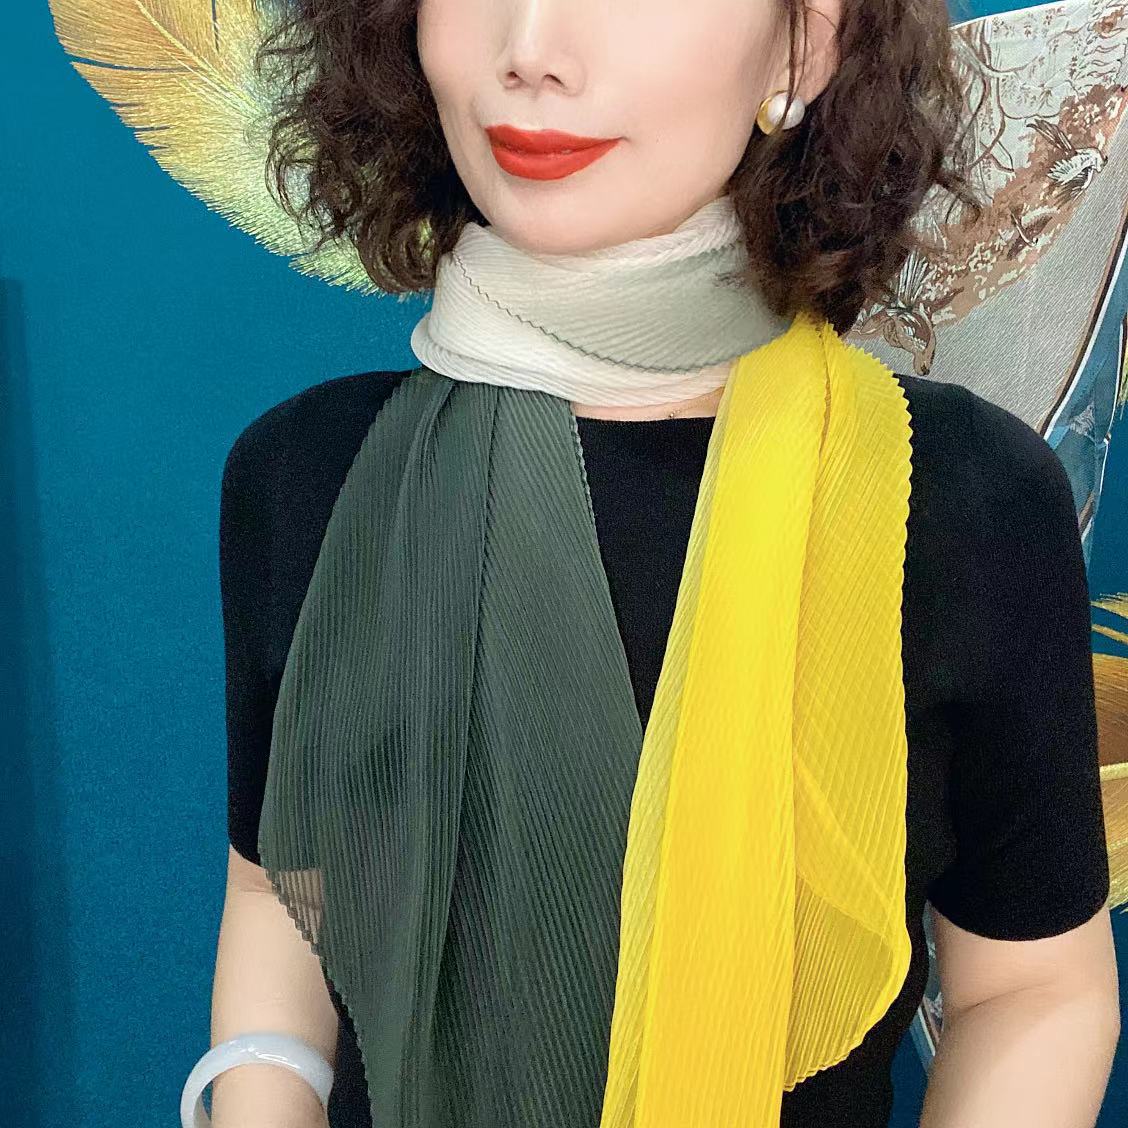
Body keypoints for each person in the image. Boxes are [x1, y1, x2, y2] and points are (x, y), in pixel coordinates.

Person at [206, 0, 1119, 1126]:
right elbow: (275, 888)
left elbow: (1033, 987)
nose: (530, 51)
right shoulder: (306, 476)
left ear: (806, 43)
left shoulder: (964, 502)